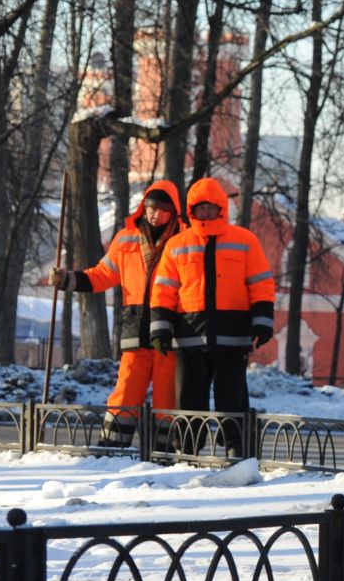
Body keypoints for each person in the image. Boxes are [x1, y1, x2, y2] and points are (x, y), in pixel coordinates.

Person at [44, 180, 184, 446]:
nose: (156, 214)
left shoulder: (184, 239)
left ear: (174, 211)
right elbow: (101, 275)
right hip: (135, 327)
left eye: (164, 210)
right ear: (144, 206)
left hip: (171, 328)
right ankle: (112, 446)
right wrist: (67, 280)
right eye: (152, 208)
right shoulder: (125, 238)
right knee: (126, 390)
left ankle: (164, 450)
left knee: (167, 395)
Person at [149, 177, 276, 457]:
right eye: (200, 208)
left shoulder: (245, 240)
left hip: (233, 334)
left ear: (221, 208)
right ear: (191, 210)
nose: (205, 213)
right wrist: (160, 329)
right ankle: (189, 448)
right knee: (189, 398)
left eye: (210, 208)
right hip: (189, 335)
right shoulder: (176, 245)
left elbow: (261, 283)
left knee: (231, 396)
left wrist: (262, 321)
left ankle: (235, 446)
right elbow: (164, 291)